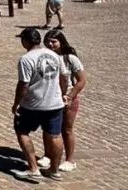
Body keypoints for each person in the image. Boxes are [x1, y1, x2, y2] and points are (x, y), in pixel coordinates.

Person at [11, 27, 67, 182]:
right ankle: (54, 170)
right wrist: (62, 94)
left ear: (25, 41)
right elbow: (64, 77)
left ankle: (33, 168)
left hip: (33, 104)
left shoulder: (26, 59)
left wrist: (16, 103)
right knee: (55, 136)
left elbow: (23, 84)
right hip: (55, 104)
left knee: (22, 131)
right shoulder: (54, 55)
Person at [37, 29, 85, 173]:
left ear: (61, 42)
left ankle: (70, 160)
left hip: (67, 99)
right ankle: (48, 155)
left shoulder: (70, 58)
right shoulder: (44, 57)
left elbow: (81, 80)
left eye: (54, 41)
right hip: (49, 98)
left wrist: (70, 96)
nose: (50, 44)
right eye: (48, 41)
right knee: (48, 128)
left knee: (66, 129)